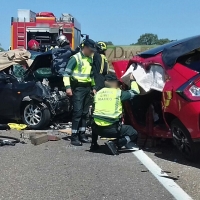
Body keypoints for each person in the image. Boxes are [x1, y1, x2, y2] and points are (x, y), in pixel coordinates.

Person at [90, 74, 140, 155]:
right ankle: (116, 143)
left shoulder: (98, 94)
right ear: (114, 83)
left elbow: (94, 111)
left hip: (97, 129)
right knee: (133, 133)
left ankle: (93, 144)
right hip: (112, 129)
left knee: (96, 119)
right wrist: (132, 80)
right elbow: (135, 92)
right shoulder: (118, 93)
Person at [63, 39, 97, 146]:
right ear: (85, 48)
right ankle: (74, 137)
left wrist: (93, 86)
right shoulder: (75, 58)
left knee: (84, 113)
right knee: (77, 112)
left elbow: (91, 75)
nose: (92, 52)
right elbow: (66, 74)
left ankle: (82, 134)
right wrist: (68, 87)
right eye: (91, 50)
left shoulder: (89, 58)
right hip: (78, 88)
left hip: (87, 88)